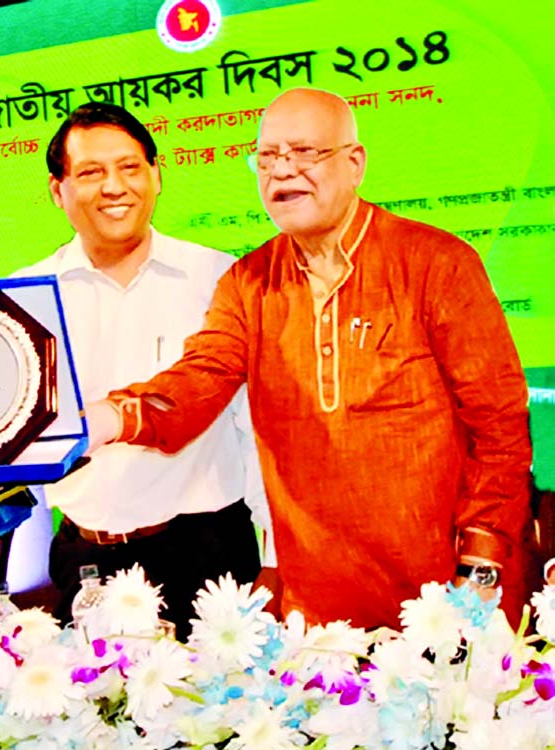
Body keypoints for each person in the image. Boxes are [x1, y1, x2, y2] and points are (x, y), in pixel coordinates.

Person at [85, 88, 533, 629]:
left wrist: (481, 566)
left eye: (304, 153)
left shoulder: (435, 263)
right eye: (267, 157)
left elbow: (500, 425)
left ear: (355, 163)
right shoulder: (249, 283)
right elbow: (199, 378)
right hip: (318, 616)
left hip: (449, 597)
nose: (282, 172)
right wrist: (107, 418)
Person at [14, 102, 275, 637]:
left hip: (208, 553)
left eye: (130, 167)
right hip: (83, 558)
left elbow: (257, 430)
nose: (114, 186)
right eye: (90, 172)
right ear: (57, 190)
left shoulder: (220, 277)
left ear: (157, 174)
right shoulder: (24, 297)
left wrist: (274, 553)